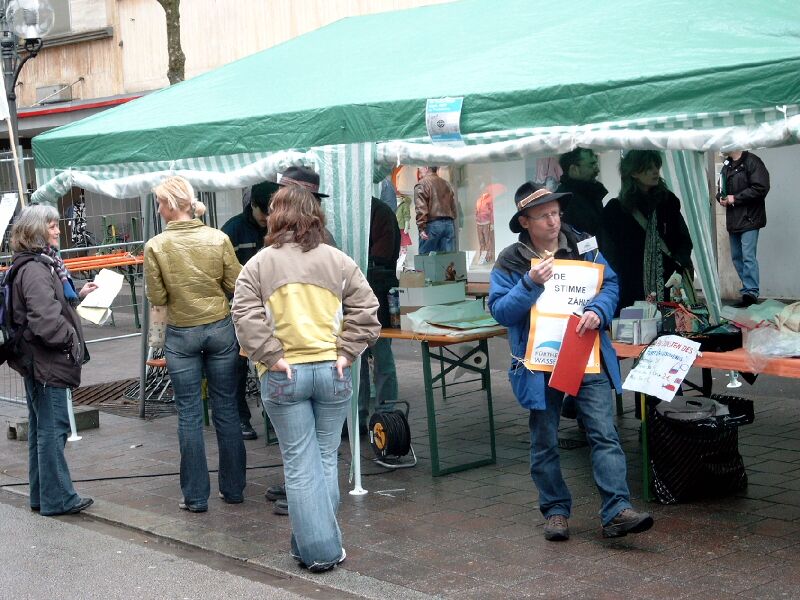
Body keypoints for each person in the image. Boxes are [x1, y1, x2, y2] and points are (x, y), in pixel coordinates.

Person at [489, 182, 653, 541]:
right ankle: (556, 511)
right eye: (544, 215)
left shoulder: (584, 244)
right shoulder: (511, 260)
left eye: (556, 213)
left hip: (584, 354)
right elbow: (501, 310)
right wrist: (529, 283)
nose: (554, 221)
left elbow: (609, 284)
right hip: (540, 362)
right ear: (525, 221)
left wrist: (598, 309)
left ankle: (617, 510)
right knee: (544, 439)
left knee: (604, 432)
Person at [232, 185, 380, 573]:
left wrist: (271, 355)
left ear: (276, 215)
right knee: (325, 459)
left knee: (299, 464)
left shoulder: (258, 265)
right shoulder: (338, 260)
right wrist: (347, 351)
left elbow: (244, 317)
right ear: (315, 214)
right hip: (333, 371)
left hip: (284, 375)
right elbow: (368, 309)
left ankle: (318, 551)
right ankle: (310, 543)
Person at [145, 176, 246, 513]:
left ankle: (195, 497)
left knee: (188, 414)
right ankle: (233, 490)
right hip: (219, 328)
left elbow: (157, 297)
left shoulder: (156, 246)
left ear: (172, 204)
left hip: (181, 333)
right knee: (227, 409)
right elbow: (236, 283)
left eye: (160, 203)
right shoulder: (218, 239)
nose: (159, 209)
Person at [7, 205, 97, 516]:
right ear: (36, 232)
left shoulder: (39, 264)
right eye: (52, 225)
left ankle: (42, 495)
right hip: (46, 361)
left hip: (37, 360)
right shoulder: (35, 268)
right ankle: (58, 498)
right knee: (53, 428)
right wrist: (70, 339)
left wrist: (78, 296)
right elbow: (45, 319)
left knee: (41, 428)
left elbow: (50, 305)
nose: (58, 230)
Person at [603, 150, 693, 313]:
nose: (655, 171)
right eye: (648, 168)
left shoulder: (667, 202)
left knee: (670, 332)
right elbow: (610, 253)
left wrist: (679, 266)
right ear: (634, 173)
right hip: (631, 287)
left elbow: (684, 240)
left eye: (656, 166)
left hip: (669, 284)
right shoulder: (616, 210)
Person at [221, 183, 271, 440]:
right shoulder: (232, 231)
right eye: (264, 214)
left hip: (272, 308)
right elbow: (222, 275)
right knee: (236, 365)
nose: (268, 220)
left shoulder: (277, 226)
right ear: (252, 206)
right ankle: (241, 418)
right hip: (239, 308)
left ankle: (274, 417)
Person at [359, 197, 400, 429]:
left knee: (381, 355)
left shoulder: (379, 212)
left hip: (378, 294)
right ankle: (360, 415)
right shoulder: (371, 210)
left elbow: (382, 256)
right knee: (358, 359)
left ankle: (386, 413)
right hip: (363, 293)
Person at [717, 150, 770, 307]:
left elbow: (761, 187)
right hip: (734, 218)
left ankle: (751, 292)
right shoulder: (726, 165)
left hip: (750, 217)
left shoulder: (752, 161)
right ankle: (748, 290)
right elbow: (721, 186)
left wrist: (736, 198)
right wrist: (720, 196)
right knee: (736, 256)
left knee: (748, 256)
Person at [556, 147, 609, 251]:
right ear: (574, 169)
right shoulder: (566, 201)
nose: (597, 169)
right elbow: (575, 242)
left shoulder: (589, 194)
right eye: (592, 164)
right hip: (584, 263)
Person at [414, 166, 457, 254]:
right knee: (447, 262)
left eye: (420, 168)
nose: (419, 170)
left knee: (426, 261)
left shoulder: (422, 184)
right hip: (449, 225)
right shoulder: (446, 184)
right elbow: (453, 207)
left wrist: (421, 228)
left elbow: (421, 208)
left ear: (426, 167)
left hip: (432, 226)